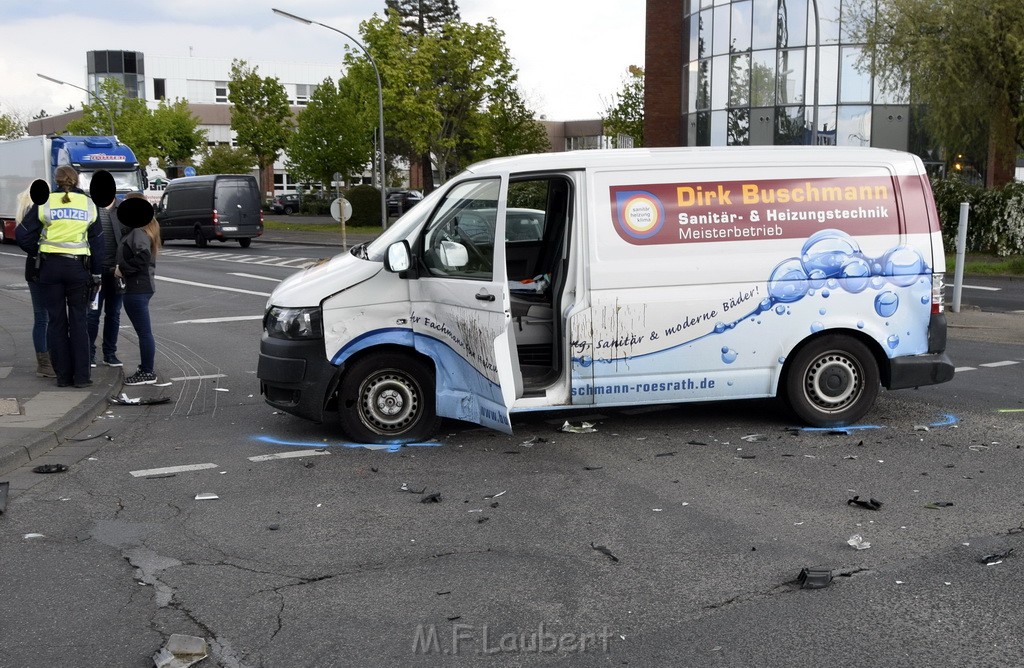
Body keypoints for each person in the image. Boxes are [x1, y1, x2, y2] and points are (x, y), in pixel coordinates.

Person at [16, 165, 103, 388]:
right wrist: (96, 273)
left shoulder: (45, 203)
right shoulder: (89, 204)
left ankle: (63, 377)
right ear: (76, 182)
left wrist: (39, 252)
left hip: (50, 268)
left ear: (56, 181)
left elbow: (22, 234)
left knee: (56, 323)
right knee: (79, 322)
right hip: (78, 269)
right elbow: (97, 242)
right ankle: (82, 378)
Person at [115, 193, 160, 385]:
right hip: (141, 286)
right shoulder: (141, 230)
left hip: (137, 287)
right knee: (144, 332)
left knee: (144, 332)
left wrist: (121, 270)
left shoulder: (138, 232)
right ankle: (146, 369)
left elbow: (142, 258)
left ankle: (147, 372)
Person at [14, 187, 55, 378]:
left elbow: (22, 236)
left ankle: (44, 362)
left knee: (41, 317)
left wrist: (35, 252)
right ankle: (48, 361)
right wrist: (40, 251)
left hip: (34, 269)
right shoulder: (43, 210)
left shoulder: (26, 211)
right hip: (43, 269)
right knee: (48, 316)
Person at [87, 199, 125, 368]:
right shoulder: (90, 207)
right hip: (95, 271)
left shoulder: (121, 208)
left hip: (116, 271)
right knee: (92, 314)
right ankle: (89, 353)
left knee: (114, 314)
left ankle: (110, 353)